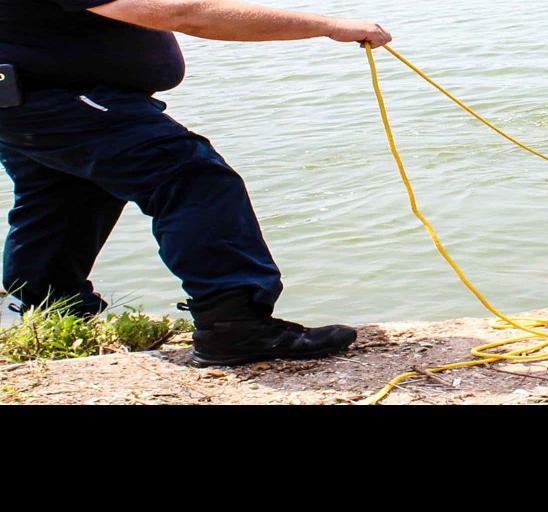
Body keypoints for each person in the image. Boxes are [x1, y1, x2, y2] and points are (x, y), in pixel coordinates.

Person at [0, 0, 392, 366]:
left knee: (63, 196)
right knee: (192, 179)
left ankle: (50, 309)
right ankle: (234, 325)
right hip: (55, 97)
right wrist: (328, 25)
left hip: (31, 98)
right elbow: (188, 14)